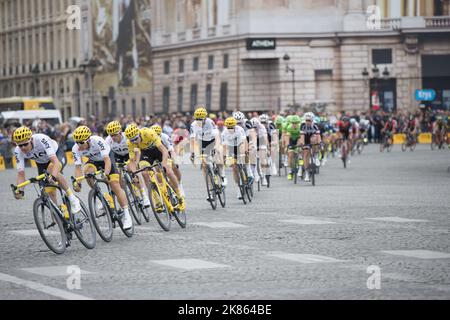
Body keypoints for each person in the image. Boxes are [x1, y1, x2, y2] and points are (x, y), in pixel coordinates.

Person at [72, 126, 133, 230]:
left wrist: (106, 173)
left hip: (107, 159)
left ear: (88, 140)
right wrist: (78, 182)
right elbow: (78, 168)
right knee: (87, 173)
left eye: (81, 142)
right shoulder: (75, 149)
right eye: (77, 142)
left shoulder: (98, 141)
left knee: (114, 185)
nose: (79, 145)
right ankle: (100, 195)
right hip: (93, 161)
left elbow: (107, 161)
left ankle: (127, 215)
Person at [12, 127, 82, 213]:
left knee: (51, 169)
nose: (23, 148)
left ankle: (72, 198)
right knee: (50, 192)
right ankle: (59, 215)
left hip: (56, 156)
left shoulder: (41, 139)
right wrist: (20, 190)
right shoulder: (18, 151)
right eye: (20, 145)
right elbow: (21, 174)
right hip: (41, 164)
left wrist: (53, 176)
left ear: (31, 140)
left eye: (25, 144)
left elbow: (55, 162)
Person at [125, 124, 185, 210]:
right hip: (146, 153)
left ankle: (180, 196)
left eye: (135, 139)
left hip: (158, 150)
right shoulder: (130, 142)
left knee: (168, 171)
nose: (134, 142)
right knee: (144, 172)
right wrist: (134, 173)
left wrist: (164, 163)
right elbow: (132, 160)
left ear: (139, 134)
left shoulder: (148, 133)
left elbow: (163, 150)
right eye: (132, 140)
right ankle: (157, 199)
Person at [105, 121, 151, 207]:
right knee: (117, 175)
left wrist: (136, 162)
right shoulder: (108, 140)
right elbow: (106, 156)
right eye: (111, 135)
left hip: (129, 155)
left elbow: (137, 150)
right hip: (117, 156)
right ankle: (128, 194)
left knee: (131, 170)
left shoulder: (127, 136)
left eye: (115, 135)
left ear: (120, 132)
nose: (113, 137)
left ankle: (144, 195)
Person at [190, 107, 227, 201]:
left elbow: (217, 136)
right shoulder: (193, 125)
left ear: (205, 118)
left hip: (213, 141)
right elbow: (192, 140)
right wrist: (192, 153)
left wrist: (216, 148)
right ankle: (211, 191)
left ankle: (222, 176)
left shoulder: (210, 123)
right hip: (202, 143)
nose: (199, 121)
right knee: (204, 166)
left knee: (218, 156)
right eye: (197, 119)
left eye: (201, 120)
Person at [221, 117, 248, 200]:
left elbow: (244, 142)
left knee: (244, 158)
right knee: (234, 167)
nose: (230, 129)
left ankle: (248, 172)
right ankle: (238, 187)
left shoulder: (239, 130)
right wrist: (225, 156)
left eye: (231, 127)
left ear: (235, 126)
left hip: (240, 145)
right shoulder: (224, 133)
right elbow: (224, 146)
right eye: (228, 127)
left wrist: (245, 151)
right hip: (231, 147)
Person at [299, 113, 321, 182]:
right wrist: (303, 144)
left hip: (312, 138)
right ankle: (307, 172)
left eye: (309, 120)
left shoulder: (315, 125)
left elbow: (318, 136)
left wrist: (319, 142)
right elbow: (302, 137)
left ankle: (316, 155)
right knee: (305, 154)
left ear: (312, 120)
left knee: (314, 139)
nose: (308, 122)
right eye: (306, 120)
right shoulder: (302, 126)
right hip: (305, 139)